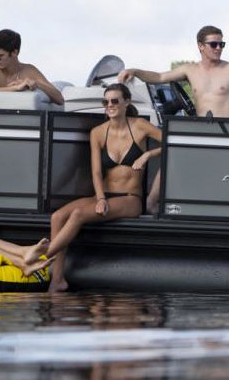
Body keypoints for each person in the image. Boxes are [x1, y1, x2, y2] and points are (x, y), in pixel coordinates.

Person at [41, 83, 163, 291]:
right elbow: (96, 172)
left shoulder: (140, 126)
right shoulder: (97, 132)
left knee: (78, 214)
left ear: (127, 102)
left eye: (115, 101)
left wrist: (147, 154)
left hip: (130, 198)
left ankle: (39, 259)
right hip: (104, 194)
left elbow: (172, 142)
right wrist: (100, 199)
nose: (109, 105)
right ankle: (58, 280)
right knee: (57, 217)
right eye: (105, 102)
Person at [116, 25, 229, 118]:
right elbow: (160, 77)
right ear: (201, 46)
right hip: (202, 131)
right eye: (214, 44)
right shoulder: (190, 70)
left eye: (221, 44)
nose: (218, 48)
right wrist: (134, 71)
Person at [0, 29, 64, 105]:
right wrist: (15, 88)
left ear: (14, 52)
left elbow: (60, 100)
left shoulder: (28, 70)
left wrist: (37, 83)